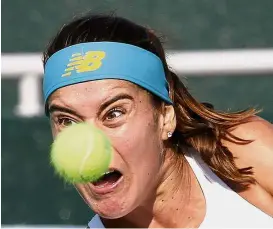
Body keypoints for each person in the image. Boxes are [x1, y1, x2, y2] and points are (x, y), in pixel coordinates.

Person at [42, 13, 273, 228]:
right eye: (67, 121)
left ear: (165, 116)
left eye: (113, 114)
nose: (88, 147)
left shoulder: (246, 149)